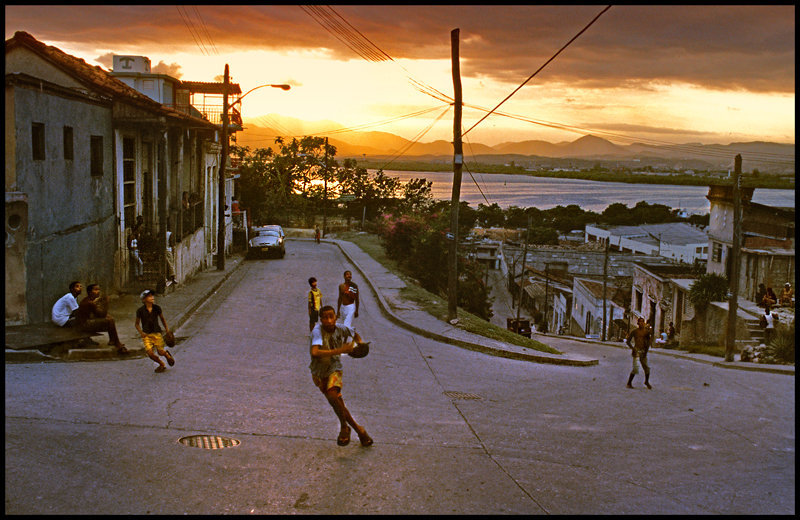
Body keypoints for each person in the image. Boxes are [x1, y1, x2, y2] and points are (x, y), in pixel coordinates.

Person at [309, 305, 372, 447]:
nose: (329, 320)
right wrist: (341, 349)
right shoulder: (317, 331)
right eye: (325, 317)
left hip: (334, 369)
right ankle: (360, 431)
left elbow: (354, 333)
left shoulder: (341, 328)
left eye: (331, 317)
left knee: (332, 396)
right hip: (319, 372)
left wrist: (358, 344)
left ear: (336, 317)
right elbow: (315, 352)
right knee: (338, 403)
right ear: (321, 320)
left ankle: (344, 426)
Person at [76, 284, 128, 354]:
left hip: (86, 322)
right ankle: (117, 343)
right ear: (90, 292)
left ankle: (113, 340)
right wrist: (106, 303)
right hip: (84, 325)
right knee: (110, 320)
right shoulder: (89, 302)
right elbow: (101, 314)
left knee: (109, 318)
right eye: (96, 290)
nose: (98, 291)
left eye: (99, 289)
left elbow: (97, 314)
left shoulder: (89, 300)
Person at [135, 289, 175, 373]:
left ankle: (167, 355)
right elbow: (137, 324)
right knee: (150, 354)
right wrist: (141, 333)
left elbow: (162, 319)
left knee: (160, 352)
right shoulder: (140, 311)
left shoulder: (157, 308)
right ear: (144, 300)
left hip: (157, 333)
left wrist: (167, 330)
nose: (152, 297)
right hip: (146, 335)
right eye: (149, 296)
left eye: (152, 296)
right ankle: (161, 364)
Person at [625, 317, 652, 389]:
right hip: (636, 351)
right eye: (640, 322)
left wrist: (646, 351)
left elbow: (648, 342)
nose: (641, 323)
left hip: (643, 351)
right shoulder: (634, 331)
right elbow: (628, 341)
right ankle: (629, 383)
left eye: (642, 322)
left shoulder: (646, 332)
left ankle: (646, 381)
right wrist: (633, 348)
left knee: (646, 368)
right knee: (635, 369)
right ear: (637, 323)